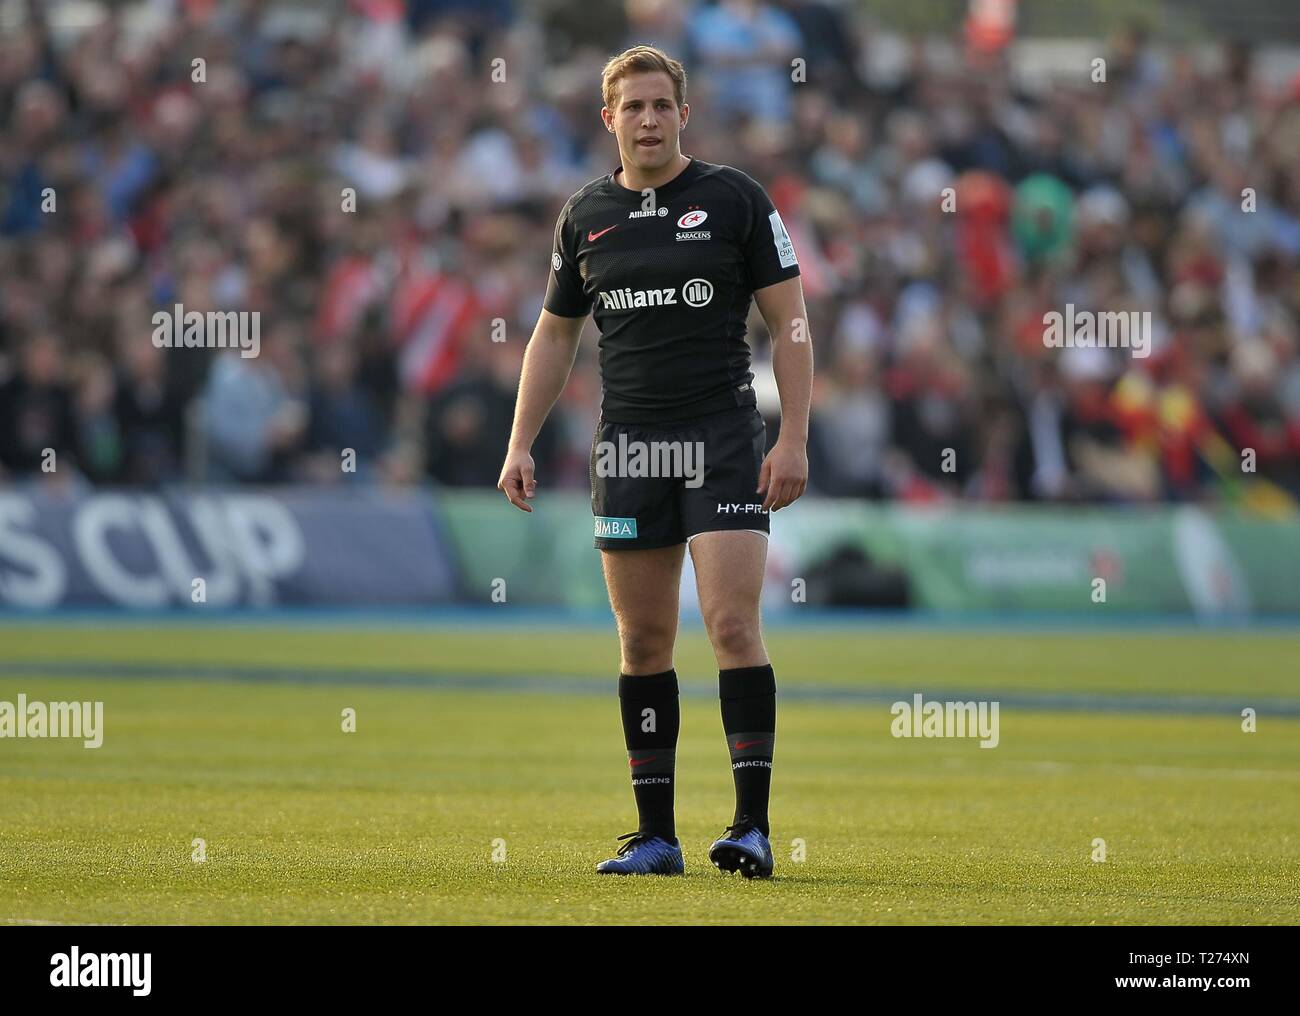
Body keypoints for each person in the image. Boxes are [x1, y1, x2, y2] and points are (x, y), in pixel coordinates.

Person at [497, 45, 813, 879]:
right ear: (609, 119)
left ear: (684, 113)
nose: (646, 120)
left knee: (734, 626)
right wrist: (520, 439)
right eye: (630, 107)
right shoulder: (583, 215)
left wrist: (793, 437)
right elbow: (555, 335)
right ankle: (656, 837)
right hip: (630, 444)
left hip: (721, 439)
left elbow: (792, 325)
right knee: (642, 643)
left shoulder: (737, 200)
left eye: (660, 105)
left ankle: (751, 828)